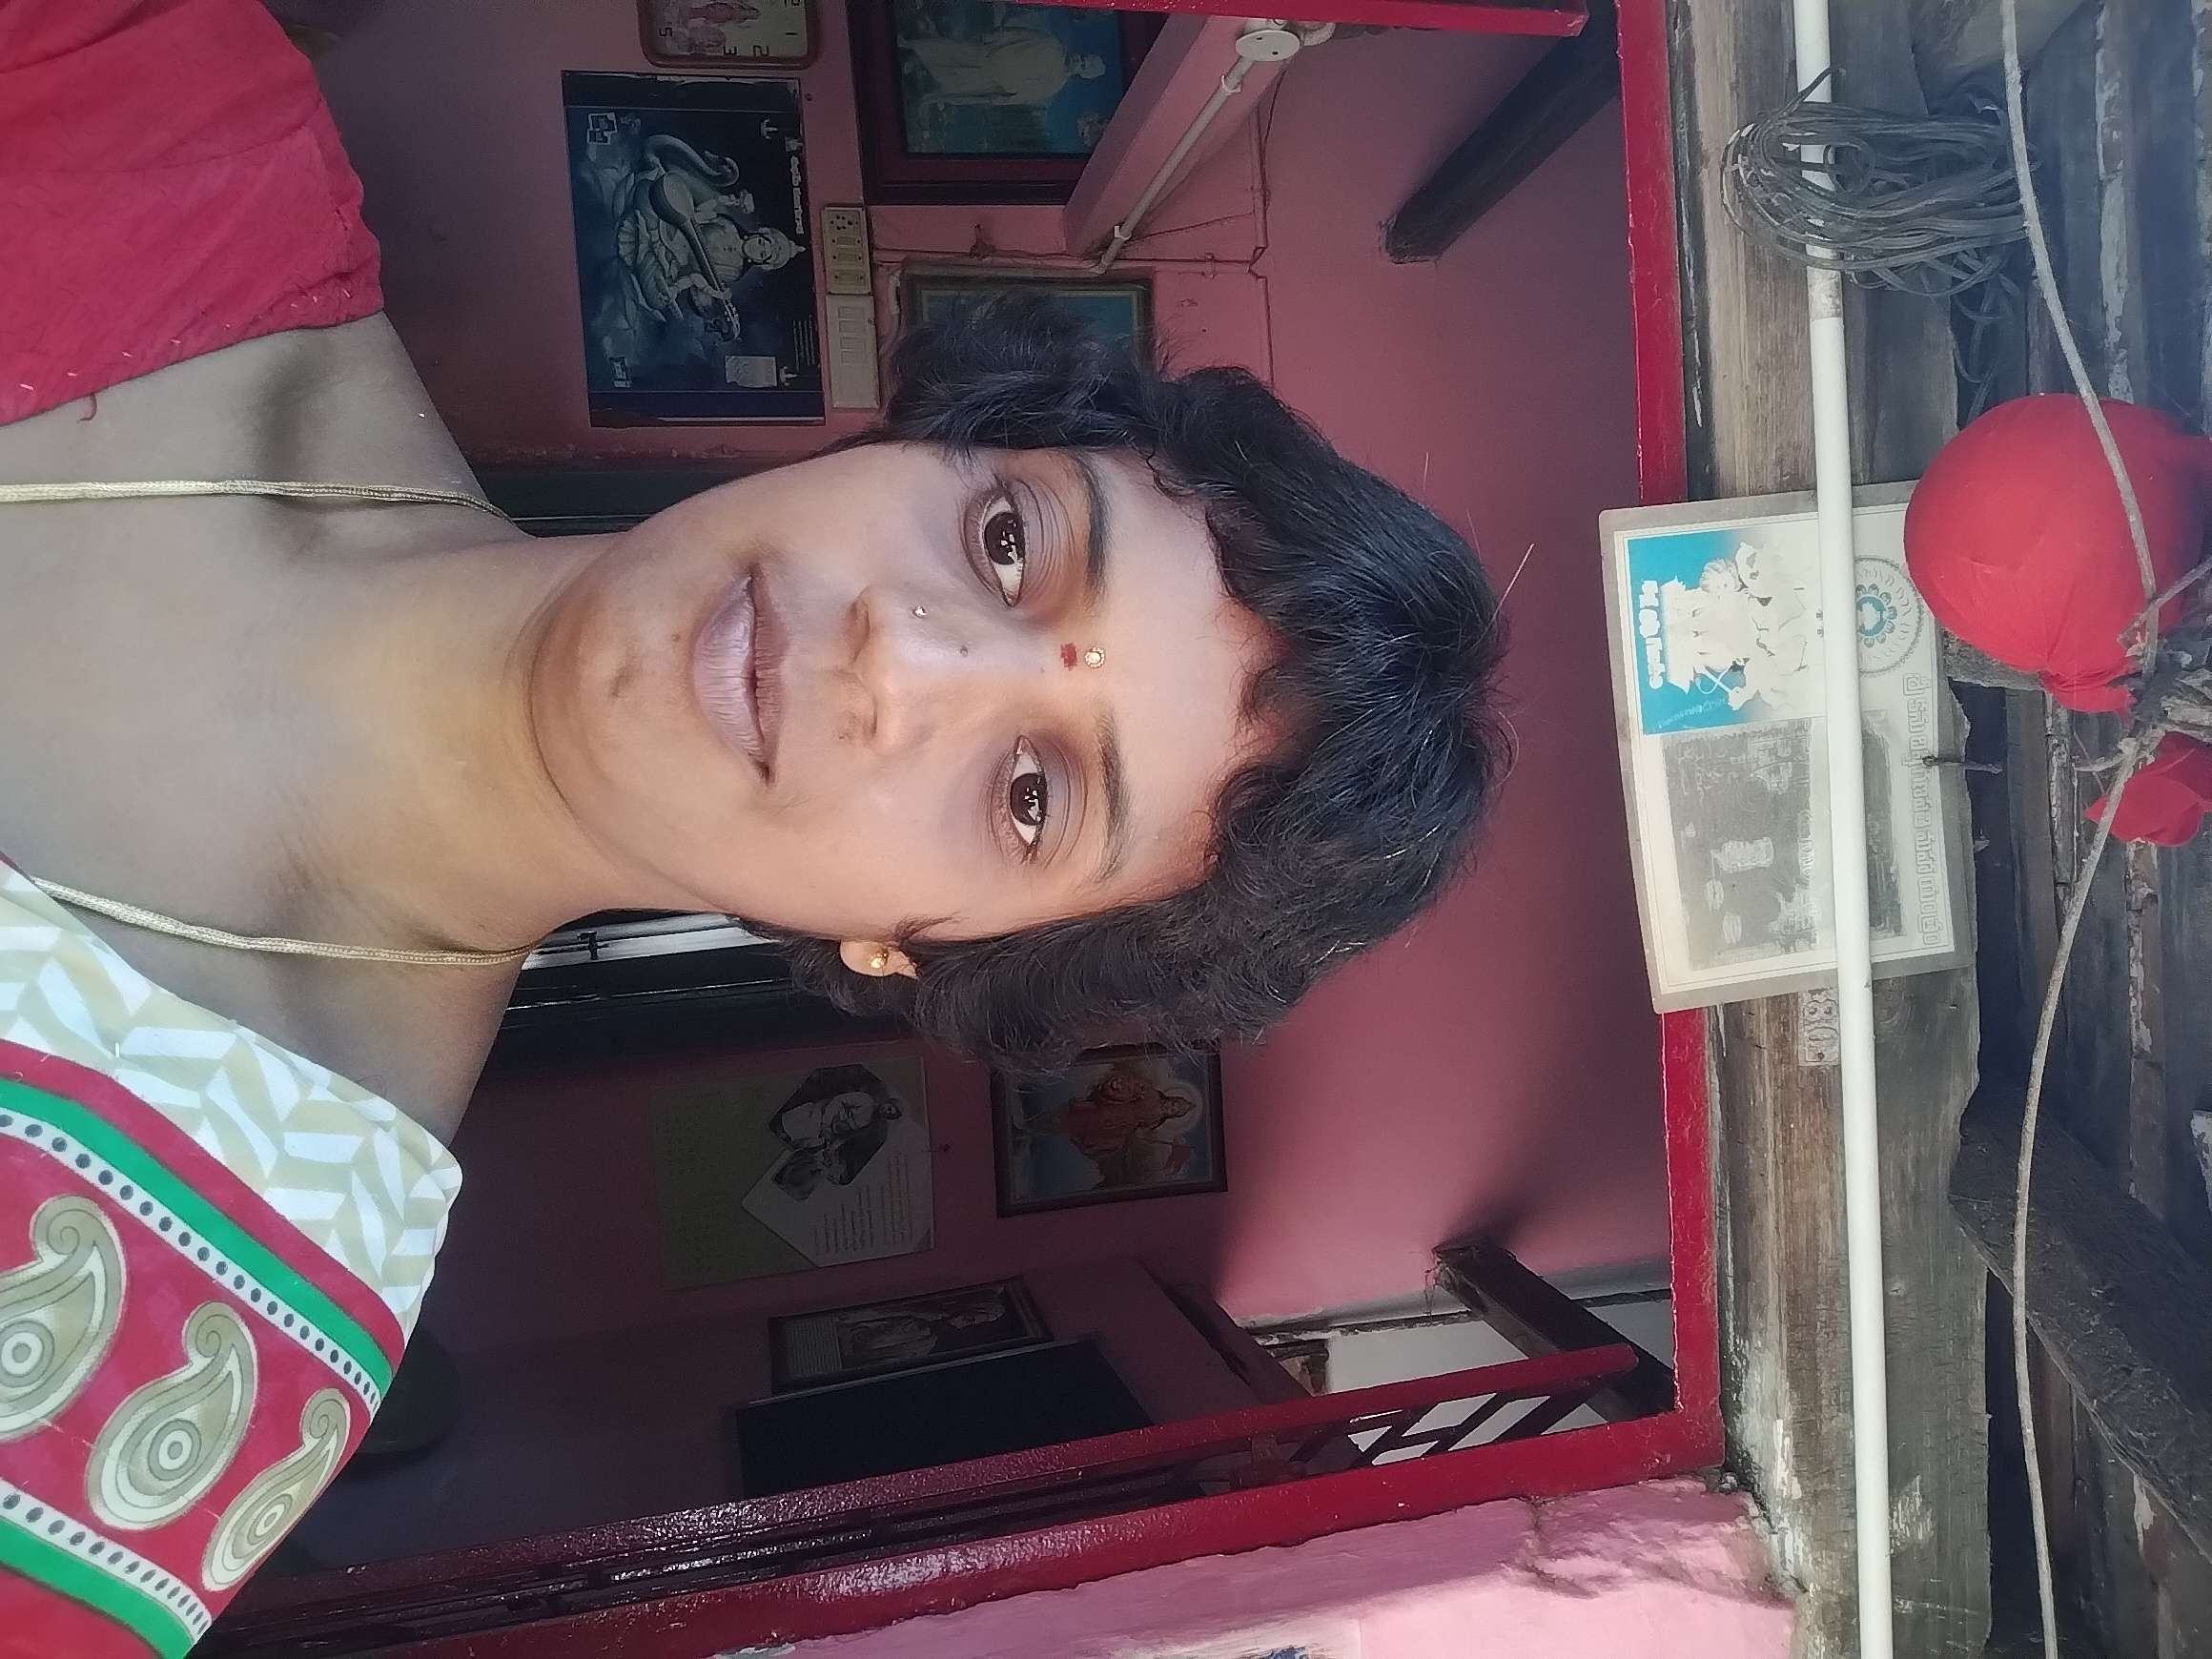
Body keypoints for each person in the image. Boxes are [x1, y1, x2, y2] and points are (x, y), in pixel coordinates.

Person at [0, 0, 1505, 1647]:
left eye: (1032, 795)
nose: (905, 658)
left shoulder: (182, 1350)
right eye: (1010, 544)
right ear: (923, 443)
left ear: (909, 951)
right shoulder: (158, 98)